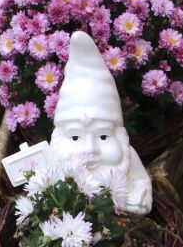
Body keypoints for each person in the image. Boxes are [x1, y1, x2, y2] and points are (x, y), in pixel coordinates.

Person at [50, 31, 152, 215]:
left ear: (119, 135)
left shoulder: (128, 158)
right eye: (75, 137)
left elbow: (141, 184)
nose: (90, 149)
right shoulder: (52, 164)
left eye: (103, 136)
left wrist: (139, 201)